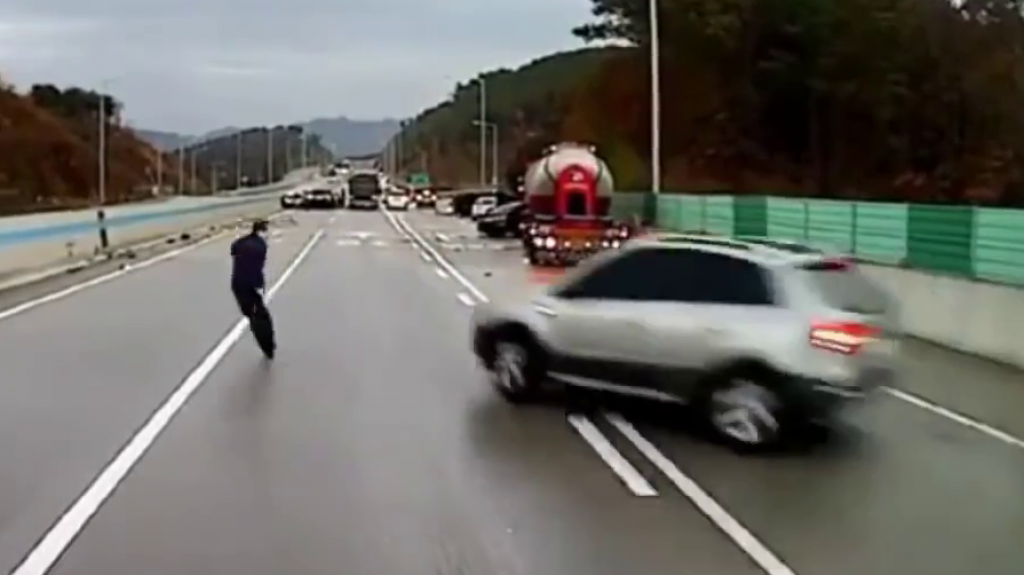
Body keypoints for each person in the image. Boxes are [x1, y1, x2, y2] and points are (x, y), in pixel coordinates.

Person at [231, 219, 276, 359]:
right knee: (260, 317)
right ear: (262, 231)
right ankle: (268, 346)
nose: (269, 235)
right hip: (249, 286)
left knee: (252, 315)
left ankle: (267, 344)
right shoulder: (260, 246)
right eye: (268, 232)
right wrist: (259, 287)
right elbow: (255, 269)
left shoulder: (242, 242)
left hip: (237, 284)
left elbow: (233, 249)